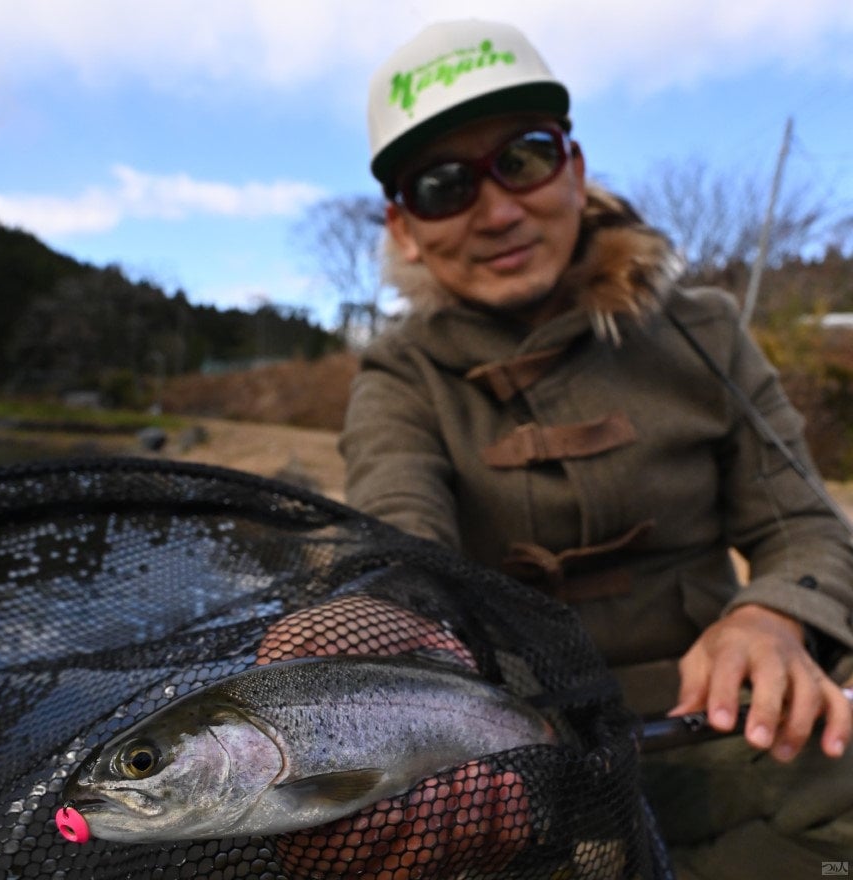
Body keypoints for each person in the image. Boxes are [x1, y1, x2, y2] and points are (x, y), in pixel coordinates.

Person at [339, 18, 853, 879]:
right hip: (507, 752)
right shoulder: (400, 376)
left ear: (574, 169)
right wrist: (376, 631)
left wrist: (770, 618)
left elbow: (804, 522)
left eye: (526, 159)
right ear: (404, 225)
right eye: (442, 186)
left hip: (727, 725)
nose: (499, 210)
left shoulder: (705, 332)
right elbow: (398, 533)